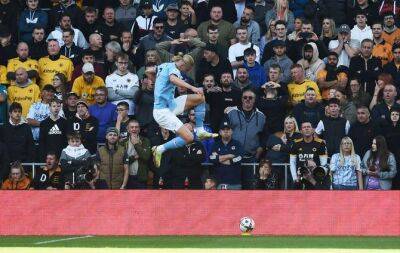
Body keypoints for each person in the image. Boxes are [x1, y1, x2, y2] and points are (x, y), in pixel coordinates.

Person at [151, 54, 218, 168]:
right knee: (189, 138)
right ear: (183, 64)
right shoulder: (174, 68)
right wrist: (192, 88)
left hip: (170, 104)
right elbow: (173, 78)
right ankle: (160, 149)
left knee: (200, 97)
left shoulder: (164, 65)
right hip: (162, 112)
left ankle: (200, 130)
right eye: (186, 70)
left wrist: (157, 84)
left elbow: (149, 70)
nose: (184, 72)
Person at [226, 88, 266, 189]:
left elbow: (264, 136)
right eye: (245, 97)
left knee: (250, 188)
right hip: (233, 157)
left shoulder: (261, 116)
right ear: (242, 99)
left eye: (250, 97)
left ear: (254, 100)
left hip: (251, 158)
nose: (247, 99)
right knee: (234, 187)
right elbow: (224, 131)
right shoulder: (231, 113)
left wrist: (258, 152)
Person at [159, 123, 206, 189]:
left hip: (195, 180)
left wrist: (185, 157)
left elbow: (202, 158)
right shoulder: (174, 145)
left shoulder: (198, 144)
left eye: (191, 131)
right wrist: (194, 157)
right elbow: (179, 160)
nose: (189, 133)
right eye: (186, 131)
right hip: (178, 181)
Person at [209, 120, 244, 190]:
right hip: (219, 181)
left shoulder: (237, 144)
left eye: (228, 129)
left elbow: (240, 157)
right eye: (223, 129)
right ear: (220, 132)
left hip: (235, 182)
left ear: (232, 131)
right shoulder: (215, 145)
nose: (226, 131)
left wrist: (220, 158)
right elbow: (211, 158)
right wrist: (229, 156)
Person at [122, 119, 151, 189]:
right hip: (127, 177)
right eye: (132, 127)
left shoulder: (145, 141)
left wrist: (136, 144)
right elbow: (122, 161)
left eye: (136, 127)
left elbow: (146, 157)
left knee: (142, 199)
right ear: (128, 129)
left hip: (141, 177)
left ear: (139, 129)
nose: (134, 129)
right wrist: (135, 157)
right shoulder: (123, 142)